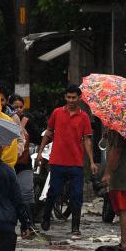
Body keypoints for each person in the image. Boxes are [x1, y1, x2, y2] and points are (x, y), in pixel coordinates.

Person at [36, 84, 98, 238]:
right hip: (57, 161)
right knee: (53, 192)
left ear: (79, 98)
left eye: (74, 97)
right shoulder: (57, 113)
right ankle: (46, 217)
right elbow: (49, 132)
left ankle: (75, 227)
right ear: (65, 97)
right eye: (68, 97)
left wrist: (91, 161)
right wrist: (39, 152)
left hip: (76, 163)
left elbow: (87, 140)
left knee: (77, 195)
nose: (71, 100)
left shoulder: (84, 117)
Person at [101, 129, 126, 251]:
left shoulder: (119, 129)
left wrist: (107, 173)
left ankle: (125, 245)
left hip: (122, 175)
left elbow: (116, 151)